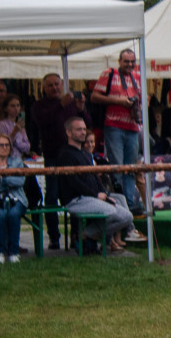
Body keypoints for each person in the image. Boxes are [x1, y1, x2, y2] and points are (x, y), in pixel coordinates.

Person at [57, 117, 135, 253]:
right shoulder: (65, 155)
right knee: (111, 211)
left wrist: (104, 193)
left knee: (127, 216)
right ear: (69, 133)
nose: (82, 132)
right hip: (76, 200)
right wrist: (96, 195)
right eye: (78, 129)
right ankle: (91, 237)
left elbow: (95, 178)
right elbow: (74, 183)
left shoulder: (86, 155)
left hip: (92, 197)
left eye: (84, 129)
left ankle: (86, 234)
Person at [90, 49, 144, 214]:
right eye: (126, 61)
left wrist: (140, 106)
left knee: (130, 168)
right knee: (117, 167)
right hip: (113, 125)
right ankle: (120, 203)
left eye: (132, 61)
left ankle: (128, 203)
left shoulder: (138, 77)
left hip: (132, 126)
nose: (129, 64)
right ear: (119, 61)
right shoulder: (109, 74)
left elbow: (141, 101)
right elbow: (94, 96)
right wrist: (118, 101)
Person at [31, 73, 81, 249]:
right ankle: (53, 236)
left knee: (75, 195)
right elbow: (44, 122)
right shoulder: (39, 106)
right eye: (50, 85)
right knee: (51, 196)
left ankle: (77, 234)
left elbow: (82, 124)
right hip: (52, 156)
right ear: (44, 89)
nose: (54, 88)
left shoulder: (70, 105)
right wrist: (61, 105)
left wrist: (81, 109)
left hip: (70, 156)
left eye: (57, 84)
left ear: (62, 85)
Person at [0, 132, 27, 263]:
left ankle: (14, 252)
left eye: (7, 145)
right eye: (1, 145)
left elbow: (20, 182)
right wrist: (8, 181)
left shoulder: (17, 162)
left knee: (12, 214)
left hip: (17, 199)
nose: (5, 148)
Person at [0, 93, 31, 160]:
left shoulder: (20, 125)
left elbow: (27, 147)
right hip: (7, 160)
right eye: (12, 106)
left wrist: (17, 143)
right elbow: (1, 146)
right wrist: (14, 133)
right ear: (6, 108)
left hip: (19, 160)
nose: (16, 108)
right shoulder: (2, 125)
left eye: (18, 105)